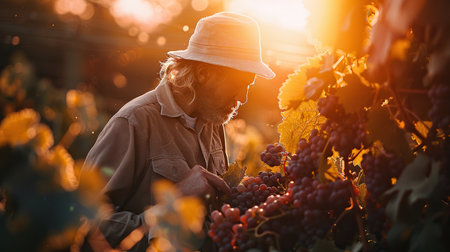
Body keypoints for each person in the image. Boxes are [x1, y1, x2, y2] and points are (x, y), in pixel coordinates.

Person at [81, 12, 275, 251]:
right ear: (204, 73)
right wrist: (171, 205)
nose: (243, 98)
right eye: (238, 84)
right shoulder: (133, 122)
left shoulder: (214, 123)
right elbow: (85, 224)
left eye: (249, 86)